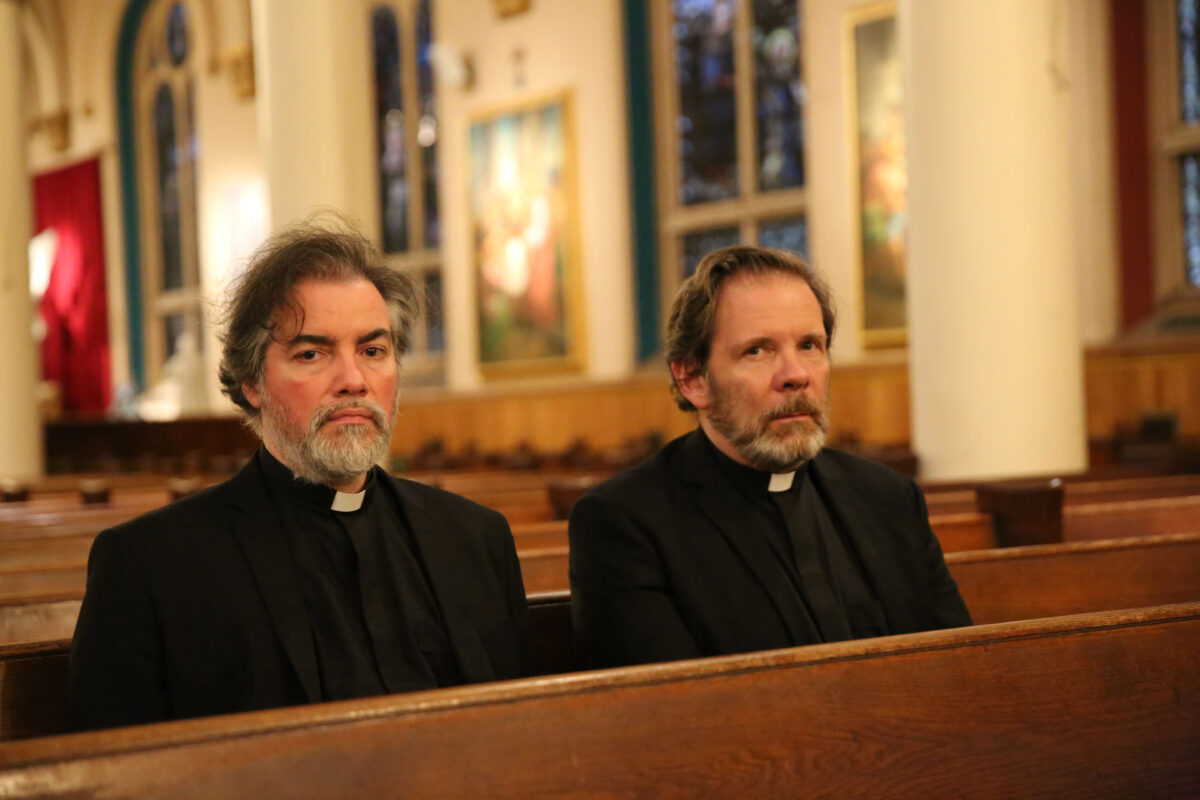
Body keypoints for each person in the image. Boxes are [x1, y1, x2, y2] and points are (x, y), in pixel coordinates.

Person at [69, 219, 533, 731]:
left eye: (373, 351)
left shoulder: (476, 539)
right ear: (252, 382)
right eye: (312, 354)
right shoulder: (151, 567)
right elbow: (116, 766)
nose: (353, 380)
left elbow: (520, 737)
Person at [569, 245, 970, 668]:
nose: (796, 374)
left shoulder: (890, 499)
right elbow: (671, 704)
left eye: (809, 345)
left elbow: (961, 667)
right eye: (757, 350)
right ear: (692, 379)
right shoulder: (626, 523)